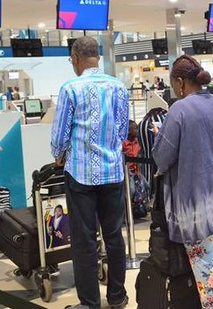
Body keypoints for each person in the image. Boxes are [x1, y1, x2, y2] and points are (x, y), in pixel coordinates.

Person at [151, 55, 213, 308]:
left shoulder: (179, 110)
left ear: (180, 82)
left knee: (204, 261)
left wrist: (159, 136)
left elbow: (162, 158)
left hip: (197, 200)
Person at [50, 37, 129, 309]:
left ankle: (89, 303)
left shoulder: (70, 88)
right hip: (113, 174)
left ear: (76, 58)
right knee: (114, 236)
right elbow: (121, 131)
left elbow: (60, 133)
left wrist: (59, 155)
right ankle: (118, 297)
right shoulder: (118, 86)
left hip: (81, 175)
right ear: (97, 56)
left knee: (84, 240)